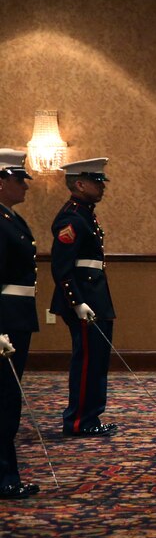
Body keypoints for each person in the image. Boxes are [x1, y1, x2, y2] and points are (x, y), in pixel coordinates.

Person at [52, 157, 117, 437]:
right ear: (79, 183)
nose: (102, 187)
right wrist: (76, 302)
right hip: (84, 299)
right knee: (88, 361)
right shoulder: (72, 217)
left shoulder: (86, 213)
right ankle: (79, 420)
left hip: (95, 296)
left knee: (98, 360)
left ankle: (90, 416)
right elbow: (62, 267)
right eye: (96, 181)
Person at [0, 149, 40, 499]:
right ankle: (4, 477)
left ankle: (8, 474)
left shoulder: (12, 219)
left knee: (9, 398)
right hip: (5, 322)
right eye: (17, 179)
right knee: (4, 399)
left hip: (18, 318)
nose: (24, 185)